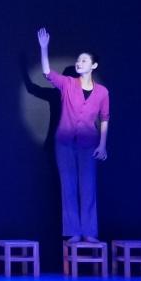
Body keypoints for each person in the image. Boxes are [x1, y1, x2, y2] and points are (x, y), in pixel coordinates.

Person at [37, 27, 110, 243]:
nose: (79, 63)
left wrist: (102, 145)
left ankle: (89, 232)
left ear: (93, 66)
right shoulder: (68, 84)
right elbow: (47, 73)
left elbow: (105, 118)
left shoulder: (102, 92)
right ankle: (74, 232)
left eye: (84, 60)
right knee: (68, 186)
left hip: (89, 144)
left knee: (88, 186)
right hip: (64, 143)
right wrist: (44, 48)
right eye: (78, 60)